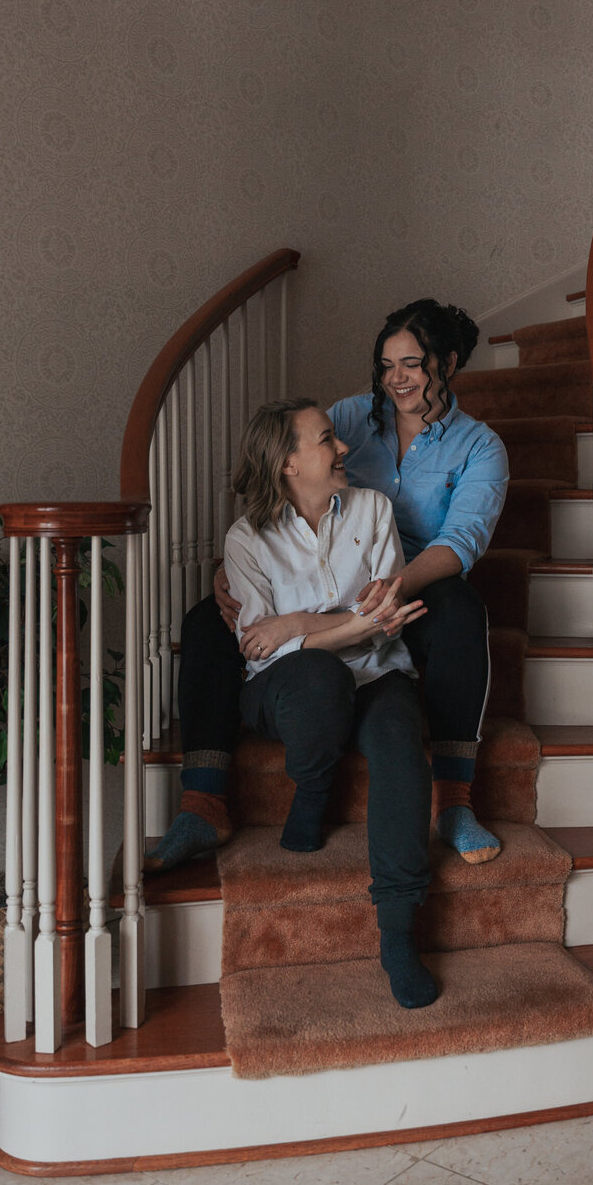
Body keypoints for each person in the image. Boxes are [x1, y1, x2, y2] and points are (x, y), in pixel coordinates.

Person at [146, 298, 509, 873]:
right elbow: (285, 467)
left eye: (412, 364)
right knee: (204, 620)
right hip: (333, 581)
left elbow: (460, 543)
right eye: (386, 365)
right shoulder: (349, 417)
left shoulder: (480, 447)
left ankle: (455, 800)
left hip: (418, 581)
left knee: (461, 611)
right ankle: (203, 798)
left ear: (448, 362)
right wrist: (234, 566)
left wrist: (390, 586)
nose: (396, 379)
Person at [221, 397, 437, 1008]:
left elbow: (386, 619)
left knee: (398, 738)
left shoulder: (372, 509)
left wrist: (293, 622)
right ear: (287, 463)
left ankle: (397, 932)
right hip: (292, 690)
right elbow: (259, 649)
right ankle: (313, 788)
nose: (343, 449)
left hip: (375, 673)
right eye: (325, 440)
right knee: (317, 676)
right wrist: (321, 631)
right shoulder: (247, 538)